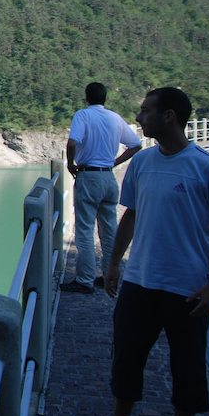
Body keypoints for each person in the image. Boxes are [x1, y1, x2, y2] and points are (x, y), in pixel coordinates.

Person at [82, 87, 209, 416]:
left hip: (188, 286)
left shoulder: (208, 168)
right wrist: (114, 264)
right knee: (126, 358)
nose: (138, 117)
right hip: (139, 281)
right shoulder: (142, 162)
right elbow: (130, 216)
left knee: (188, 365)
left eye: (146, 111)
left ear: (169, 116)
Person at [61, 82, 142, 294]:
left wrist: (70, 164)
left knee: (85, 231)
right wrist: (114, 163)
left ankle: (84, 280)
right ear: (105, 98)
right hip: (108, 178)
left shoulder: (83, 115)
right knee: (109, 230)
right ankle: (108, 275)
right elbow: (136, 144)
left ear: (86, 97)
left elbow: (72, 143)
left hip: (88, 177)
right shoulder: (115, 118)